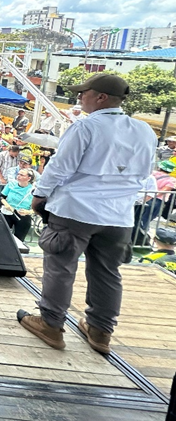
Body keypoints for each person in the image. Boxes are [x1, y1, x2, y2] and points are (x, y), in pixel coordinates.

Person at [17, 74, 157, 355]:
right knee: (108, 273)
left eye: (85, 92)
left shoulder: (85, 127)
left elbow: (60, 167)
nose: (80, 97)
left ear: (101, 97)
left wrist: (39, 195)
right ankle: (100, 331)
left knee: (60, 268)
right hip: (118, 216)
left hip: (75, 211)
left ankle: (51, 324)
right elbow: (144, 174)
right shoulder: (145, 131)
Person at [1, 167, 36, 241]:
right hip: (8, 212)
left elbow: (37, 207)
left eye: (22, 175)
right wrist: (6, 204)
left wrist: (28, 212)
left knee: (19, 240)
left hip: (23, 215)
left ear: (29, 178)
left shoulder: (33, 190)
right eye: (18, 174)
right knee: (2, 236)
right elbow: (2, 197)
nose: (18, 176)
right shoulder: (11, 184)